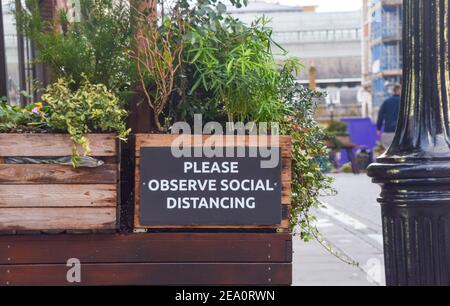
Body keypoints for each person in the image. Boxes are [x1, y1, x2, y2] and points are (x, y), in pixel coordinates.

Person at [376, 84, 401, 149]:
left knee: (386, 154)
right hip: (401, 134)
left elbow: (380, 116)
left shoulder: (386, 102)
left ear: (393, 91)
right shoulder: (404, 102)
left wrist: (378, 128)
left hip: (388, 132)